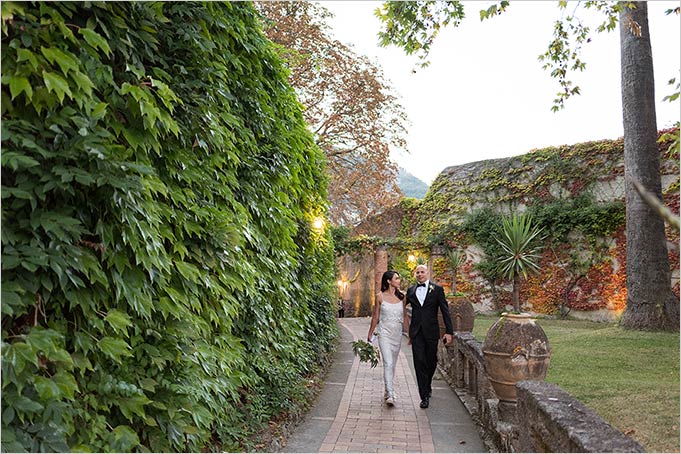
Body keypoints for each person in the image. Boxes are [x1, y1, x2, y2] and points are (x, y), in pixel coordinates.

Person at [405, 264, 453, 409]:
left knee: (431, 361)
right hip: (416, 333)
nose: (419, 274)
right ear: (415, 275)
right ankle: (424, 396)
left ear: (427, 273)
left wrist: (449, 332)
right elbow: (399, 305)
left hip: (432, 331)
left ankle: (428, 384)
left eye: (422, 272)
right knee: (419, 362)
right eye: (417, 272)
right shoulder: (411, 290)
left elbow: (445, 311)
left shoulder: (437, 290)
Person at [367, 270, 409, 406]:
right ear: (389, 281)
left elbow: (404, 317)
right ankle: (391, 393)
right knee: (388, 363)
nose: (399, 281)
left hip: (397, 334)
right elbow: (376, 316)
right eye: (396, 278)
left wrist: (410, 334)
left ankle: (387, 389)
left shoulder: (403, 297)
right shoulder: (379, 296)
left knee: (393, 364)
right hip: (384, 333)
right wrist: (370, 333)